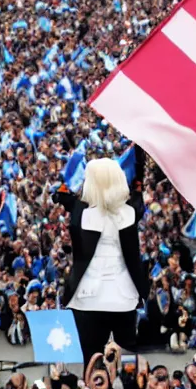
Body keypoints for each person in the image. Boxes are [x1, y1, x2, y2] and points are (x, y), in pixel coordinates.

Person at [52, 146, 148, 368]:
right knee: (126, 361)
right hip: (124, 296)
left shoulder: (80, 213)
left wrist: (67, 179)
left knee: (91, 361)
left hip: (88, 297)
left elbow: (62, 193)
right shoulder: (131, 212)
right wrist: (138, 166)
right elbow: (138, 191)